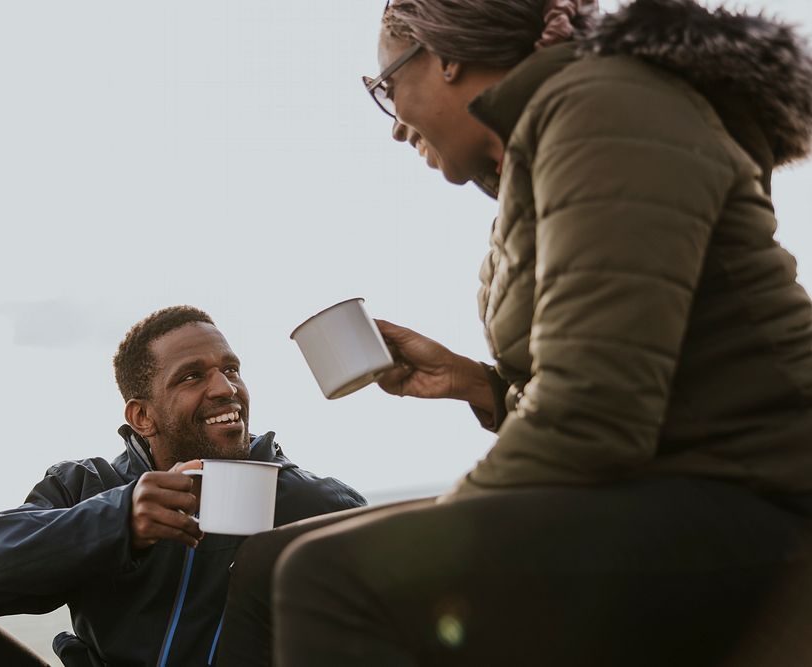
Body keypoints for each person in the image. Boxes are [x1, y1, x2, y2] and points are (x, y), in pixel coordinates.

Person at [215, 1, 812, 665]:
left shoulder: (605, 109)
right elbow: (626, 389)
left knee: (327, 579)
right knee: (269, 560)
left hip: (766, 499)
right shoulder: (550, 144)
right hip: (682, 484)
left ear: (446, 56)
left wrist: (453, 527)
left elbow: (597, 416)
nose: (392, 125)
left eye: (387, 85)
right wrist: (479, 386)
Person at [0, 305, 365, 667]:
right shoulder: (88, 487)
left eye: (232, 369)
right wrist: (117, 521)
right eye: (193, 376)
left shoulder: (315, 503)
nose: (226, 388)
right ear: (142, 415)